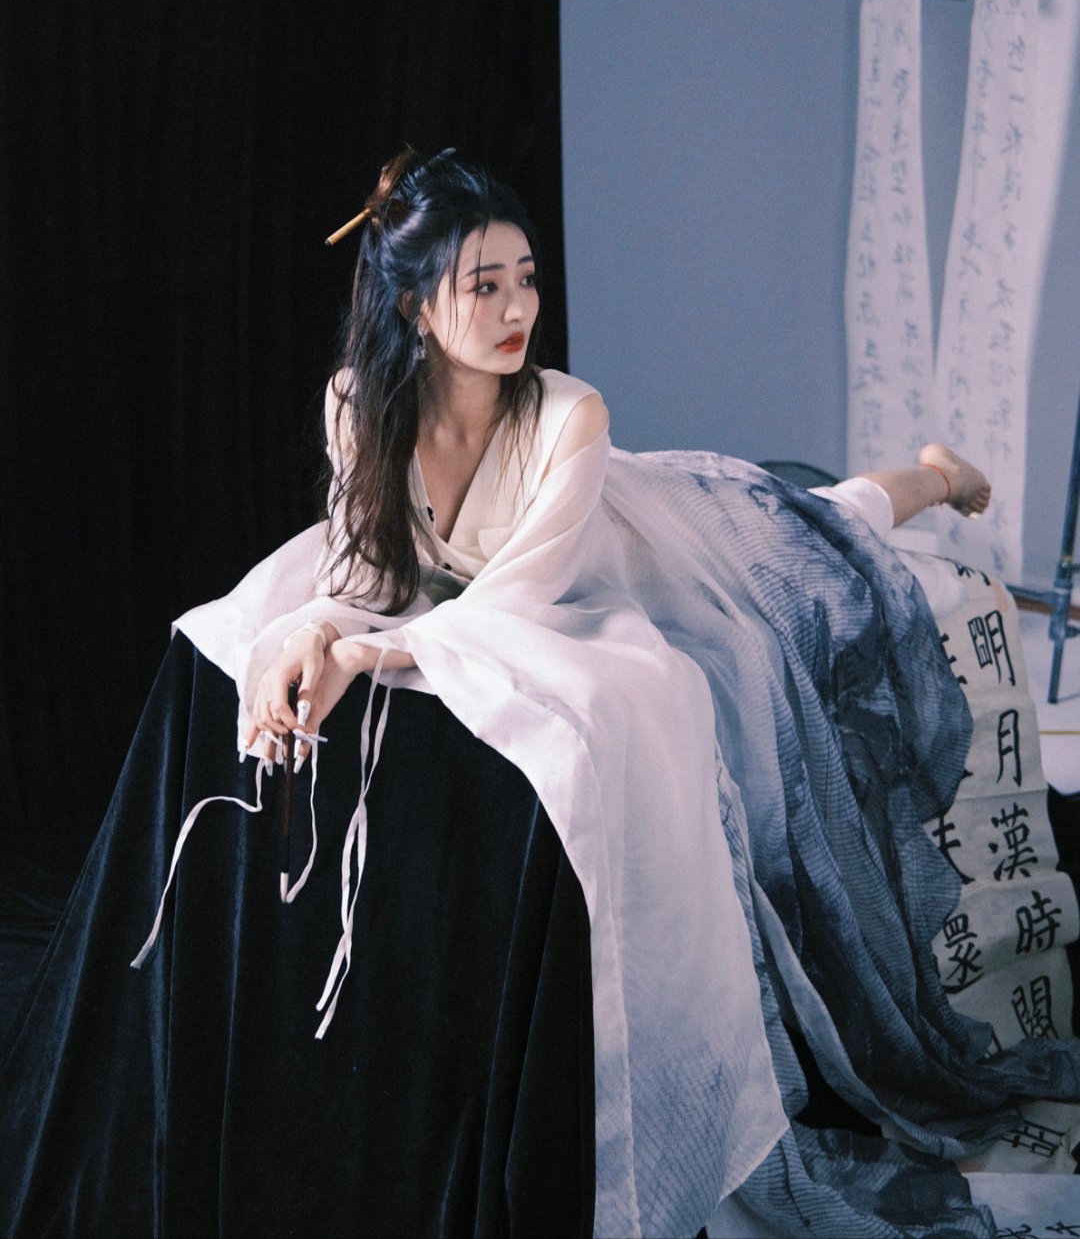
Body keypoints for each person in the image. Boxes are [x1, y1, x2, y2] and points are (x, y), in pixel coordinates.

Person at [1, 148, 1075, 1239]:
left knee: (804, 530)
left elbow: (515, 602)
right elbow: (366, 572)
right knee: (264, 619)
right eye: (485, 286)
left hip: (636, 552)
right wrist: (319, 631)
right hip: (477, 583)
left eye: (526, 278)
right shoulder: (357, 404)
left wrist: (362, 658)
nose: (518, 309)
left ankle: (935, 473)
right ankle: (917, 477)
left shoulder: (570, 415)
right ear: (416, 309)